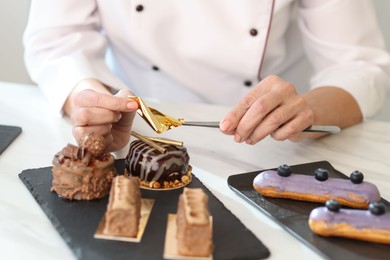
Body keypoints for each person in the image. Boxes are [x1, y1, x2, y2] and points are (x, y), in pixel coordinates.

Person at [23, 0, 390, 152]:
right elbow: (56, 39)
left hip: (264, 146)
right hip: (136, 128)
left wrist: (305, 110)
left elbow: (360, 65)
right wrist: (92, 101)